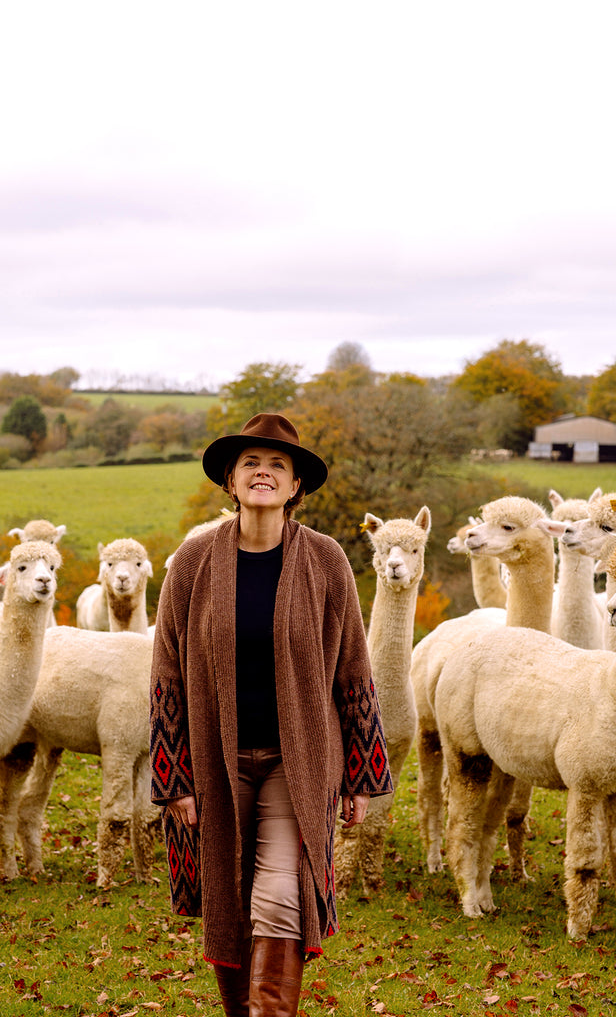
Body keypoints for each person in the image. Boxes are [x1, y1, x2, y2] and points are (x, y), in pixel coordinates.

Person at [150, 413, 392, 1016]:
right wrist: (173, 778)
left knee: (280, 898)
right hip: (214, 761)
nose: (264, 472)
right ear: (230, 481)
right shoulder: (193, 562)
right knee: (229, 901)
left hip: (299, 762)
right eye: (251, 463)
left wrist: (361, 774)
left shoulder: (326, 561)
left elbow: (354, 670)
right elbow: (166, 677)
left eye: (277, 465)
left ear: (295, 488)